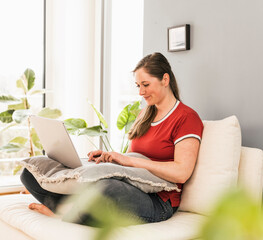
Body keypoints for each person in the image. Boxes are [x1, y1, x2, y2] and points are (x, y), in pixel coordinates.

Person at [21, 52, 204, 225]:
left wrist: (128, 161)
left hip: (159, 200)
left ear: (165, 79)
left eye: (146, 85)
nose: (141, 92)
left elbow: (182, 172)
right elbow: (132, 166)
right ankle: (72, 209)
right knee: (31, 173)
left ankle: (64, 213)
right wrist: (110, 159)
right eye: (138, 86)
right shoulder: (144, 115)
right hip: (134, 186)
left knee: (108, 189)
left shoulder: (186, 117)